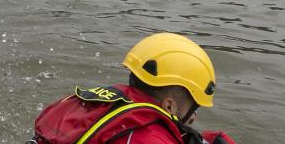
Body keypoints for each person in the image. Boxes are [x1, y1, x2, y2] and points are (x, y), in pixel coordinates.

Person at [30, 32, 236, 144]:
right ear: (169, 106)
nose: (194, 118)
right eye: (194, 108)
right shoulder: (149, 138)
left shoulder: (106, 103)